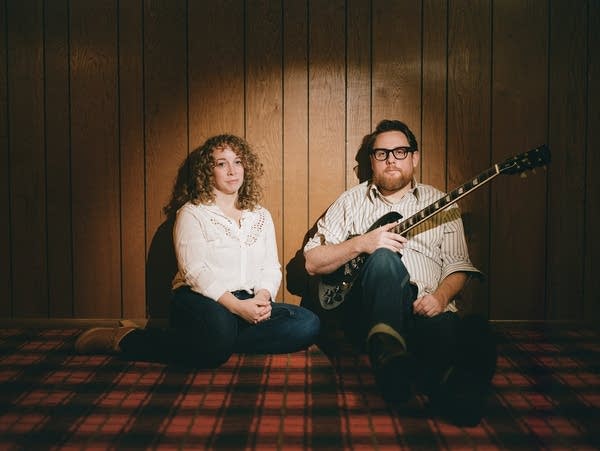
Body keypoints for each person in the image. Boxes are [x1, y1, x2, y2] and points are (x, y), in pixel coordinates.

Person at [303, 119, 497, 426]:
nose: (391, 159)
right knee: (383, 257)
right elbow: (313, 261)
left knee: (475, 332)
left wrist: (440, 297)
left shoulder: (442, 203)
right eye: (382, 153)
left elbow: (458, 265)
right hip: (367, 317)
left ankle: (434, 386)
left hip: (426, 311)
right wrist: (362, 244)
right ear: (371, 161)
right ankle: (387, 344)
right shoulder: (350, 202)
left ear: (414, 158)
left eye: (400, 151)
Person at [75, 134, 320, 367]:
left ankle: (208, 341)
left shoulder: (260, 215)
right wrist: (236, 307)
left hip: (247, 299)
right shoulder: (192, 213)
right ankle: (127, 338)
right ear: (207, 171)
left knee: (307, 324)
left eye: (237, 162)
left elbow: (270, 266)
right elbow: (195, 272)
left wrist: (262, 299)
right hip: (200, 299)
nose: (232, 171)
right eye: (222, 164)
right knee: (218, 336)